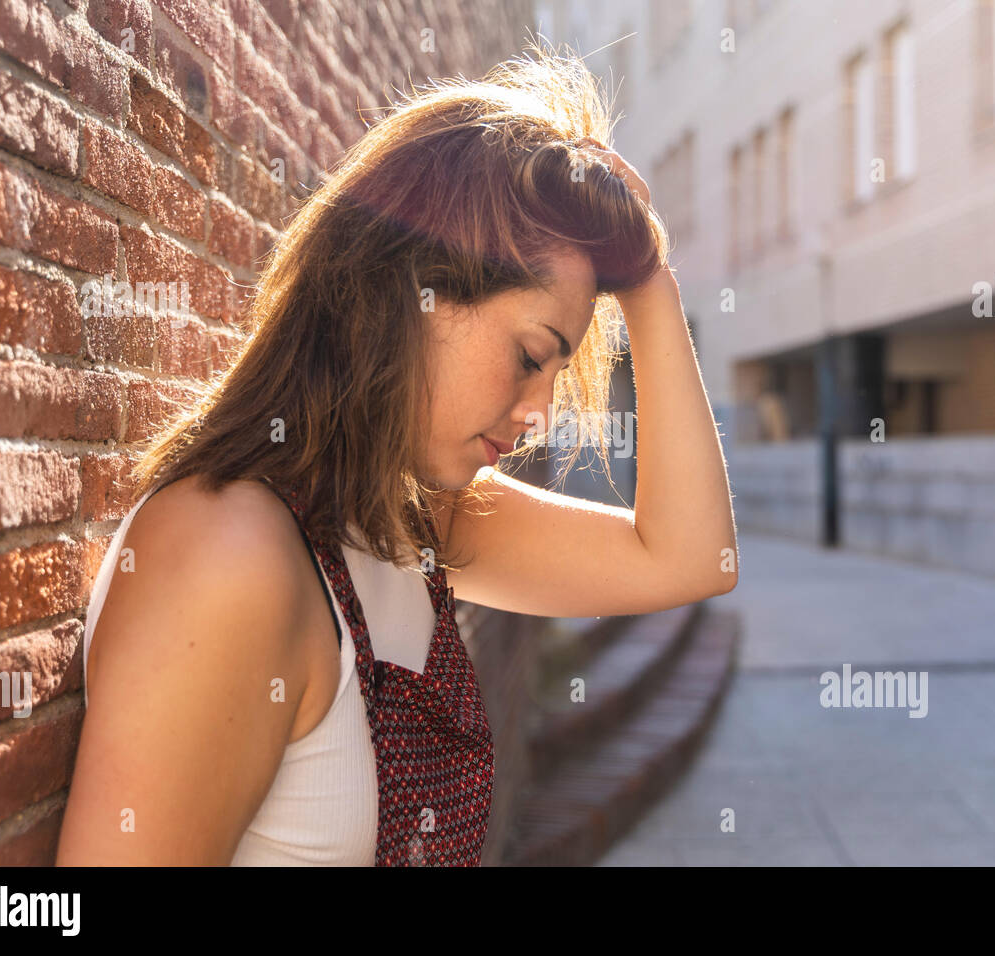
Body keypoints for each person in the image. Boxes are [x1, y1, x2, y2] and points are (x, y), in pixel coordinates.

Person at [55, 44, 738, 867]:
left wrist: (648, 278)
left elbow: (693, 557)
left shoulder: (403, 520)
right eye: (531, 355)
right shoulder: (228, 556)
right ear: (409, 293)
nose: (540, 414)